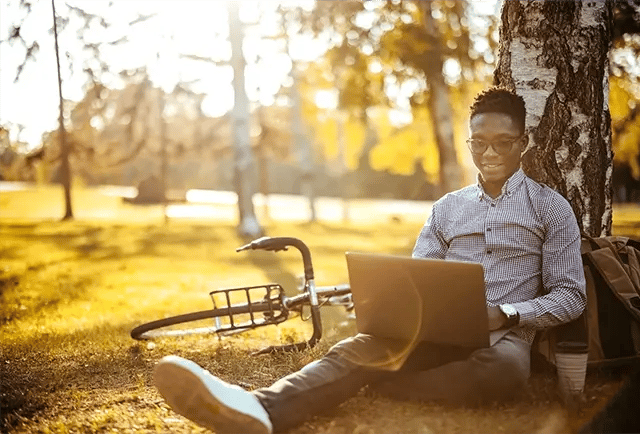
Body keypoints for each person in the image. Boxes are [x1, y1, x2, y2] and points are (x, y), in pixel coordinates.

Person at [152, 87, 587, 434]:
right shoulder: (447, 209)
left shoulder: (550, 209)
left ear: (524, 143)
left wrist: (507, 313)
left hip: (504, 339)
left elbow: (571, 296)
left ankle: (378, 381)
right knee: (360, 348)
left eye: (503, 143)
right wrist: (392, 307)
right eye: (479, 143)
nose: (490, 154)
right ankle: (260, 408)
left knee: (504, 371)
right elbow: (422, 277)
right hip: (436, 332)